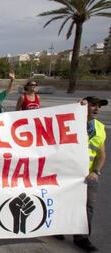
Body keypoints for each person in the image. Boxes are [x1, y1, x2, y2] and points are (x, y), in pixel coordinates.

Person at [71, 96, 107, 252]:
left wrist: (96, 171)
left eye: (99, 106)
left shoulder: (100, 127)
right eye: (93, 105)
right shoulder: (72, 122)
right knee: (63, 202)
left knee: (88, 207)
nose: (97, 108)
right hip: (69, 174)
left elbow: (101, 153)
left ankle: (82, 237)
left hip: (89, 176)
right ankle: (57, 229)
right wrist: (76, 107)